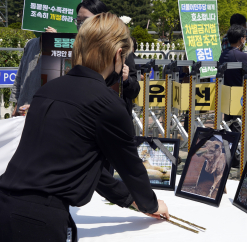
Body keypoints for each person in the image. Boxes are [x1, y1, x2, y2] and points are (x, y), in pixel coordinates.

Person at [0, 13, 169, 242]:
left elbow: (85, 166)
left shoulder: (47, 91)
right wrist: (150, 202)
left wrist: (130, 199)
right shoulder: (108, 104)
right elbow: (130, 167)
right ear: (118, 54)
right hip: (41, 221)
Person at [75, 0, 140, 116]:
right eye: (79, 20)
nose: (81, 25)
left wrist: (126, 80)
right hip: (81, 115)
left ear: (102, 20)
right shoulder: (74, 46)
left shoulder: (121, 48)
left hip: (112, 117)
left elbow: (134, 91)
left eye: (86, 20)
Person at [219, 24, 247, 167]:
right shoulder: (241, 55)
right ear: (241, 39)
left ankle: (232, 158)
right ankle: (236, 160)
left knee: (229, 126)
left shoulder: (224, 54)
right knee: (238, 128)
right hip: (240, 96)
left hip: (227, 97)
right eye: (245, 38)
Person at [10, 27, 57, 116]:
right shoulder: (30, 44)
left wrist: (54, 40)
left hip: (46, 110)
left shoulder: (63, 44)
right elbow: (20, 74)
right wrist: (17, 104)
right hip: (23, 108)